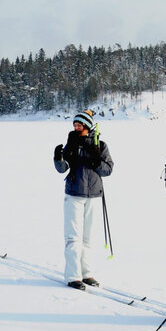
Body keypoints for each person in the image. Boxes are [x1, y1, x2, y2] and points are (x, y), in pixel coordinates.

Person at [53, 109, 113, 290]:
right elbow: (62, 168)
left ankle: (87, 274)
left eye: (79, 125)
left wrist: (96, 160)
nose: (76, 128)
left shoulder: (101, 145)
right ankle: (73, 276)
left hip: (94, 196)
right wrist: (58, 158)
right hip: (74, 195)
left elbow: (108, 170)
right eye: (74, 125)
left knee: (88, 238)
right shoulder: (71, 143)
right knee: (73, 238)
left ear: (87, 126)